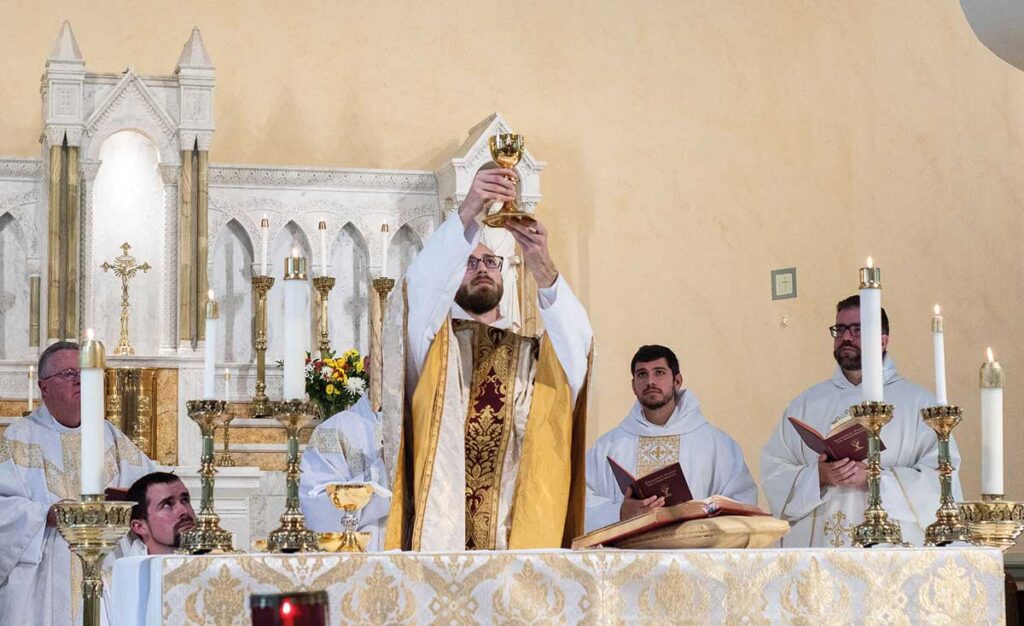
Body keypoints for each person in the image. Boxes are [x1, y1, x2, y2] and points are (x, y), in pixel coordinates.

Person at [381, 167, 593, 551]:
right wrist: (466, 213)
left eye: (491, 262)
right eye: (469, 261)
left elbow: (577, 353)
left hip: (516, 546)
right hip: (443, 546)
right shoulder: (433, 352)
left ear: (505, 274)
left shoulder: (533, 358)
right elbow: (415, 298)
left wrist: (542, 266)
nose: (481, 268)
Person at [760, 295, 960, 547]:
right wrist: (819, 476)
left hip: (892, 556)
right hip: (820, 557)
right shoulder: (806, 404)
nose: (846, 337)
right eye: (840, 329)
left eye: (857, 329)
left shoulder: (920, 405)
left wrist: (874, 480)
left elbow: (941, 482)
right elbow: (774, 471)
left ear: (883, 341)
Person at [0, 341, 155, 625]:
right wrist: (42, 515)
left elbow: (149, 492)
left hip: (106, 568)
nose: (80, 380)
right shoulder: (18, 438)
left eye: (84, 372)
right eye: (69, 373)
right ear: (44, 387)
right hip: (42, 578)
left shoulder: (111, 436)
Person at [585, 345, 758, 532]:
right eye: (642, 374)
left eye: (659, 372)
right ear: (633, 385)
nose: (650, 381)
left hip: (693, 556)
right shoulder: (607, 448)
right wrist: (619, 513)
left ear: (677, 380)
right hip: (629, 556)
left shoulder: (717, 445)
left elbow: (742, 501)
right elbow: (580, 500)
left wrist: (699, 520)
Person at [299, 387, 390, 551]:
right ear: (369, 364)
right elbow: (318, 513)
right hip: (363, 559)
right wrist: (383, 472)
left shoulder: (432, 431)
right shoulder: (334, 430)